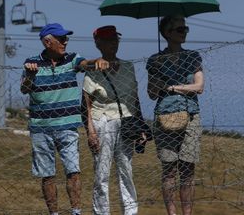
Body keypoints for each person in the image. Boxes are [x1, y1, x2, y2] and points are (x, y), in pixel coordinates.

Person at [20, 23, 109, 215]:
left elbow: (85, 64)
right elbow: (25, 89)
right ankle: (54, 213)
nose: (65, 42)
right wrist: (29, 75)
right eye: (61, 39)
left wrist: (97, 62)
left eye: (66, 38)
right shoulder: (32, 62)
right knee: (47, 175)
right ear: (47, 42)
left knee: (73, 171)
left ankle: (76, 211)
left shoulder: (71, 59)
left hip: (68, 126)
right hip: (40, 128)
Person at [83, 26, 150, 215]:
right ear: (98, 43)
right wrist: (91, 131)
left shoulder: (128, 66)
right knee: (102, 173)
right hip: (102, 120)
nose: (113, 43)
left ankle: (130, 211)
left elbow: (134, 98)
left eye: (115, 39)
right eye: (108, 40)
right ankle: (101, 212)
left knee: (126, 170)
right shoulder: (92, 69)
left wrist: (141, 126)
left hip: (127, 122)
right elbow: (86, 104)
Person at [146, 15, 204, 215]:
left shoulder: (193, 56)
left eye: (185, 29)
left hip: (190, 115)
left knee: (188, 170)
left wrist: (171, 87)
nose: (184, 32)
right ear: (167, 33)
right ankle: (172, 213)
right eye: (180, 29)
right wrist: (159, 81)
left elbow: (199, 86)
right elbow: (152, 93)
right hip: (164, 116)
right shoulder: (155, 60)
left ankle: (187, 213)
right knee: (169, 170)